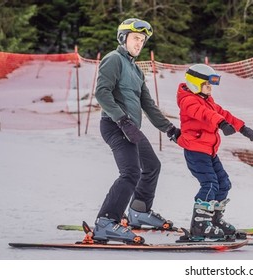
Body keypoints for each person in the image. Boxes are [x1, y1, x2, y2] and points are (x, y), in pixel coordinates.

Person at [91, 18, 181, 244]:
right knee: (131, 172)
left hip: (130, 128)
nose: (139, 44)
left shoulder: (136, 70)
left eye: (142, 40)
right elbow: (102, 93)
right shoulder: (114, 60)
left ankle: (139, 211)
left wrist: (169, 128)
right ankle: (105, 222)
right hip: (115, 125)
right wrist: (122, 120)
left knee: (151, 166)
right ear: (123, 38)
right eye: (135, 39)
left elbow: (148, 105)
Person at [175, 64, 253, 241]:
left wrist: (241, 127)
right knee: (210, 184)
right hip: (196, 152)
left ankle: (213, 221)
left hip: (209, 152)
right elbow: (205, 114)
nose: (210, 89)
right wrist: (220, 124)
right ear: (196, 84)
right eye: (207, 85)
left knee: (224, 184)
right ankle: (199, 226)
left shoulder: (207, 100)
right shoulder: (188, 101)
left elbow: (222, 113)